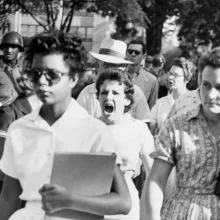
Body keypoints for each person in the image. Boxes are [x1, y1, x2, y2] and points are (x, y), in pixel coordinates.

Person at [0, 31, 131, 220]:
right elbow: (8, 198)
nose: (42, 82)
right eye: (36, 73)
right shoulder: (19, 130)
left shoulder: (94, 131)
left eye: (53, 75)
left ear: (73, 78)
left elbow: (123, 202)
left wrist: (69, 200)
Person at [145, 47, 220, 220]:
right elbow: (156, 180)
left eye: (219, 87)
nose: (211, 95)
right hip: (182, 214)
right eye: (206, 85)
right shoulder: (177, 126)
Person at [96, 68, 154, 220]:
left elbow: (153, 174)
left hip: (126, 206)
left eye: (115, 93)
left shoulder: (138, 128)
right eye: (103, 92)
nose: (108, 96)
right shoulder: (88, 128)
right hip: (94, 203)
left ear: (127, 99)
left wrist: (149, 212)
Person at [77, 38, 152, 122]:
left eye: (115, 66)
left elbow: (145, 122)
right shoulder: (86, 94)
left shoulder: (135, 93)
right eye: (106, 65)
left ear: (124, 68)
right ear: (98, 65)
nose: (110, 70)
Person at [151, 57, 194, 134]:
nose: (170, 78)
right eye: (170, 74)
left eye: (176, 75)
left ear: (186, 79)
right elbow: (150, 124)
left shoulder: (193, 102)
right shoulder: (160, 103)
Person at [0, 31, 32, 131]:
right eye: (6, 47)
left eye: (13, 47)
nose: (9, 50)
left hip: (21, 110)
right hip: (3, 114)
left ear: (19, 50)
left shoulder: (23, 68)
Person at [126, 40, 159, 109]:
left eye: (137, 52)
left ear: (143, 57)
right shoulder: (117, 75)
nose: (133, 54)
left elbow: (151, 108)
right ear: (126, 53)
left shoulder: (152, 80)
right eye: (130, 51)